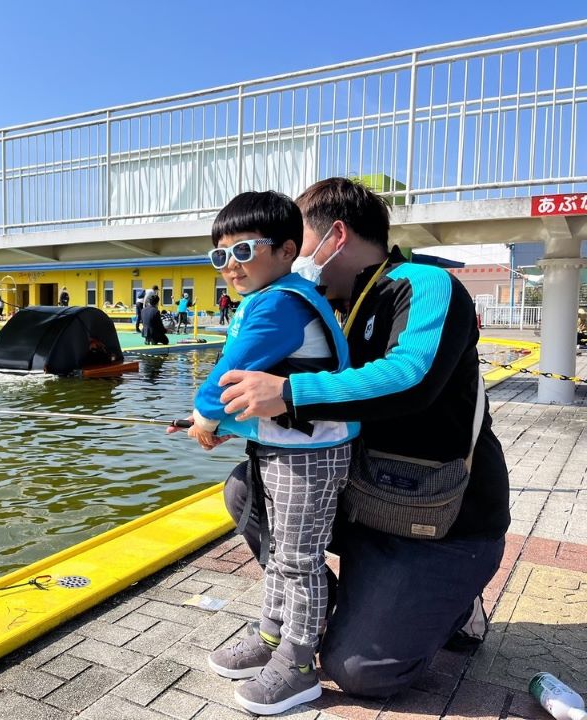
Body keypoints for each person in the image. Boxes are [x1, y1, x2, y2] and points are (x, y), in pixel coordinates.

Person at [215, 177, 509, 700]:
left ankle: (457, 604)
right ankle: (313, 609)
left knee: (360, 672)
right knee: (245, 488)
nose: (285, 253)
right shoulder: (318, 303)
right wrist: (226, 417)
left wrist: (290, 391)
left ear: (336, 237)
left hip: (437, 517)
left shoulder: (423, 284)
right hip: (359, 498)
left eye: (293, 238)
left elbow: (411, 376)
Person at [176, 191, 357, 716]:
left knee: (298, 559)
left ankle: (300, 666)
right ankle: (274, 637)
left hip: (310, 455)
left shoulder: (278, 301)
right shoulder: (280, 293)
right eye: (219, 256)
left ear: (284, 249)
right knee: (279, 552)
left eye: (243, 251)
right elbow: (260, 390)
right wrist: (220, 423)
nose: (230, 266)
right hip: (287, 447)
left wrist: (207, 414)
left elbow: (230, 371)